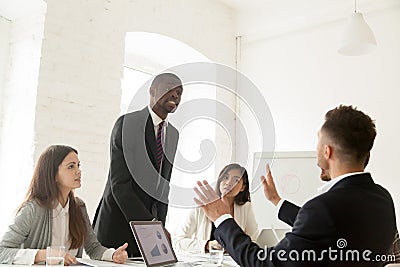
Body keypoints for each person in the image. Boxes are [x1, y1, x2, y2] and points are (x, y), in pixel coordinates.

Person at [194, 105, 397, 266]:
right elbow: (328, 226)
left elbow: (264, 263)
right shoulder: (383, 199)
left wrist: (222, 219)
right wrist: (277, 201)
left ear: (327, 151)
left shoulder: (323, 207)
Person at [93, 73, 183, 257]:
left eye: (179, 92)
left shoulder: (173, 134)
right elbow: (120, 185)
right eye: (169, 89)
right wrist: (151, 226)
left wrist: (160, 227)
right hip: (117, 226)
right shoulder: (128, 124)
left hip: (149, 233)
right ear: (152, 91)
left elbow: (163, 187)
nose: (175, 95)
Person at [0, 145, 128, 265]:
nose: (79, 171)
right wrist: (47, 255)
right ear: (53, 174)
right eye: (71, 166)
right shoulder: (33, 209)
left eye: (78, 165)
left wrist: (112, 255)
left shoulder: (79, 207)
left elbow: (93, 248)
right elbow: (2, 251)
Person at [173, 163, 258, 253]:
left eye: (236, 180)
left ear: (243, 187)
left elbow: (253, 241)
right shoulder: (201, 206)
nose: (229, 183)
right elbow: (177, 241)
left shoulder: (246, 208)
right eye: (226, 177)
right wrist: (207, 245)